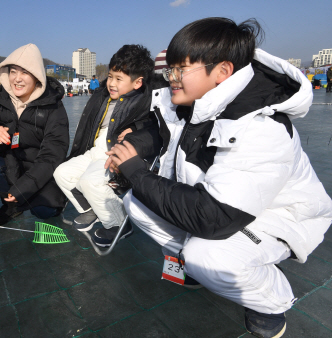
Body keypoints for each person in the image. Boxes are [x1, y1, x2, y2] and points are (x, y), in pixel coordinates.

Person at [108, 18, 332, 337]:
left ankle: (270, 301)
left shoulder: (262, 127)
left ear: (223, 72)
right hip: (222, 201)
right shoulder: (195, 100)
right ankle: (196, 263)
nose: (169, 78)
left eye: (179, 70)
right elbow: (160, 132)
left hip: (275, 216)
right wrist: (132, 146)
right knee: (137, 204)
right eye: (168, 70)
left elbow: (216, 217)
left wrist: (135, 170)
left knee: (207, 254)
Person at [53, 44, 159, 247]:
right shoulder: (102, 96)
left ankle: (119, 223)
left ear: (137, 83)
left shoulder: (144, 102)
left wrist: (135, 128)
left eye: (119, 79)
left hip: (115, 156)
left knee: (89, 181)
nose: (112, 83)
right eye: (110, 76)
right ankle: (90, 210)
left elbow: (153, 125)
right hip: (94, 151)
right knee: (62, 173)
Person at [0, 43, 69, 225]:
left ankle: (49, 203)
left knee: (44, 211)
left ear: (36, 76)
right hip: (12, 164)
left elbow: (53, 154)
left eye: (24, 72)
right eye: (13, 71)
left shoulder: (52, 105)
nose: (17, 79)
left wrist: (24, 188)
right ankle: (11, 206)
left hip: (42, 171)